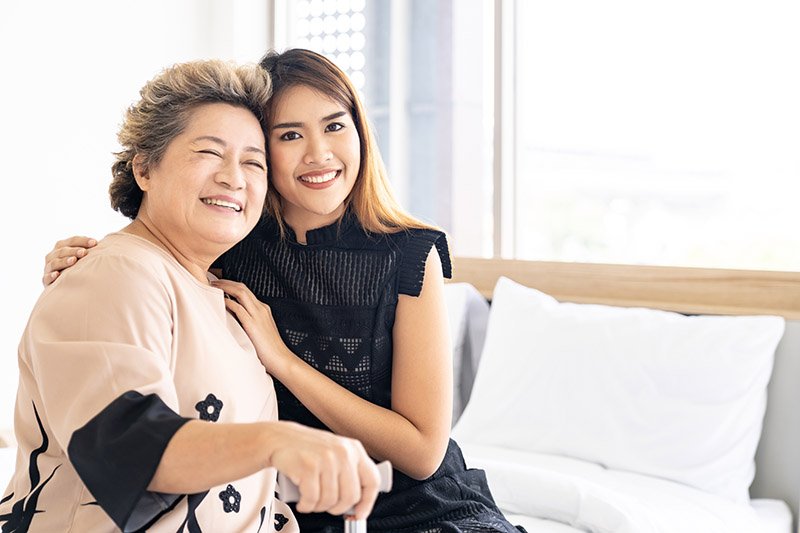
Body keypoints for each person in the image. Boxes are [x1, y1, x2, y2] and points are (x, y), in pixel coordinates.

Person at [42, 48, 525, 533]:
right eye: (290, 135)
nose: (319, 153)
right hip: (283, 505)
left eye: (335, 126)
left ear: (360, 131)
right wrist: (83, 260)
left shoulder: (407, 256)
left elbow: (422, 454)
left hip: (417, 507)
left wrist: (283, 361)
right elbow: (152, 254)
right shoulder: (229, 240)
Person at [4, 58, 380, 533]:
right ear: (144, 167)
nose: (234, 177)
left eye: (253, 161)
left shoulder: (224, 295)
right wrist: (278, 441)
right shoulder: (115, 273)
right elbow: (130, 450)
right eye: (209, 152)